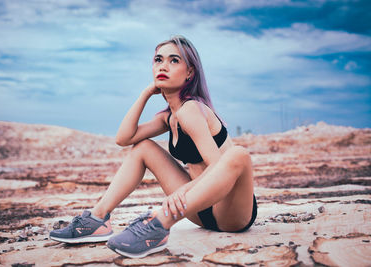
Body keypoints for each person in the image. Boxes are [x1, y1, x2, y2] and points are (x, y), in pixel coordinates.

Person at [49, 35, 257, 258]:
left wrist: (181, 192)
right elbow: (124, 138)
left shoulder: (191, 110)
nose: (163, 66)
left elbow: (217, 167)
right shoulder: (169, 117)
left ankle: (159, 223)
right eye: (158, 60)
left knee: (238, 154)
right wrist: (145, 93)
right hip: (196, 209)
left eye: (174, 60)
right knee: (142, 147)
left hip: (230, 210)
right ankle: (97, 219)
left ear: (190, 73)